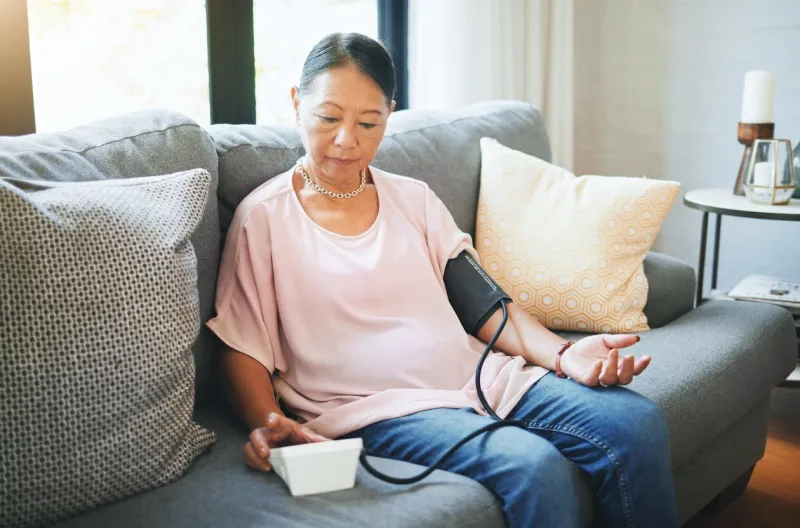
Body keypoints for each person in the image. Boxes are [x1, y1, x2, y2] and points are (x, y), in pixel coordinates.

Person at [205, 32, 678, 528]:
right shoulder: (265, 218)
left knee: (635, 424)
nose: (347, 139)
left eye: (369, 122)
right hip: (378, 411)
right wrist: (269, 424)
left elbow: (488, 307)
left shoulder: (415, 199)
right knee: (531, 465)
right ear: (297, 104)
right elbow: (242, 345)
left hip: (481, 379)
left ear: (389, 113)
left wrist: (563, 354)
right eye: (328, 118)